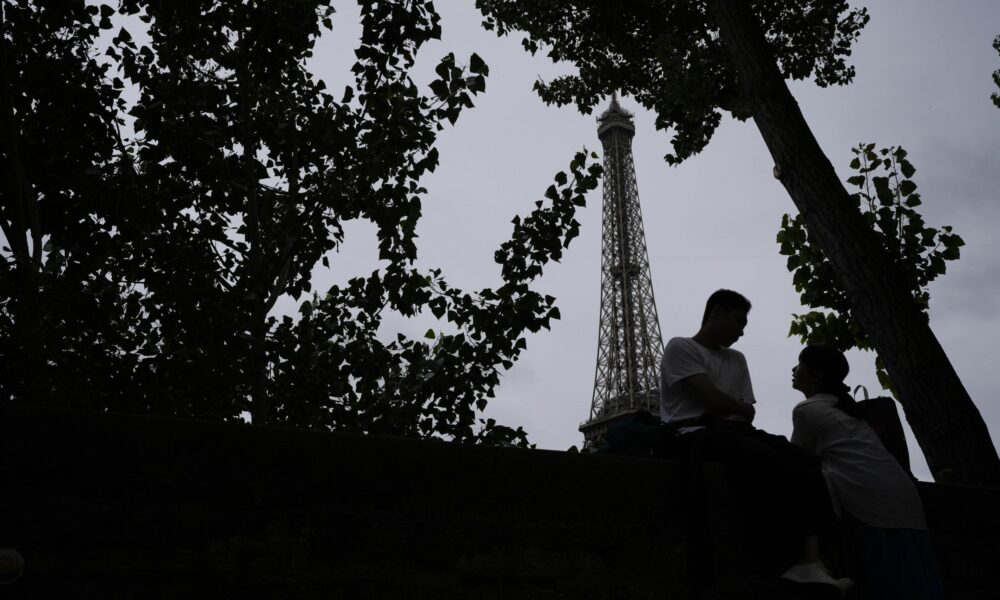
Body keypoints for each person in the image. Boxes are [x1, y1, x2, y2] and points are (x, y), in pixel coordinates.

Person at [660, 289, 850, 589]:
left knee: (806, 462)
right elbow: (710, 398)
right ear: (717, 313)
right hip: (695, 431)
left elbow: (745, 411)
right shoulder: (680, 347)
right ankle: (784, 560)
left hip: (735, 430)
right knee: (765, 460)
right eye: (738, 322)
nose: (741, 332)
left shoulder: (737, 358)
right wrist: (732, 406)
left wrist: (729, 406)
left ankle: (812, 561)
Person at [790, 345, 944, 600]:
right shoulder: (848, 411)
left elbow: (797, 461)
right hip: (902, 496)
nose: (794, 369)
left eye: (800, 363)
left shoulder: (807, 410)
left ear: (816, 374)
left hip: (867, 498)